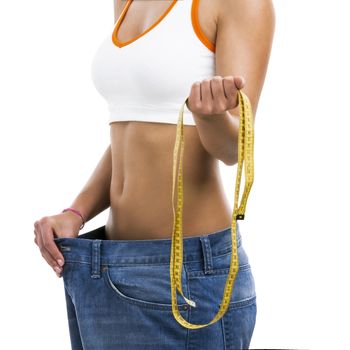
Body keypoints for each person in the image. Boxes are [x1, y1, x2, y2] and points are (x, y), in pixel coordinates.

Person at [33, 0, 275, 348]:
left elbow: (234, 149)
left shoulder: (239, 4)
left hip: (185, 279)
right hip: (104, 266)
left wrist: (210, 116)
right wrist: (76, 212)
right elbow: (132, 131)